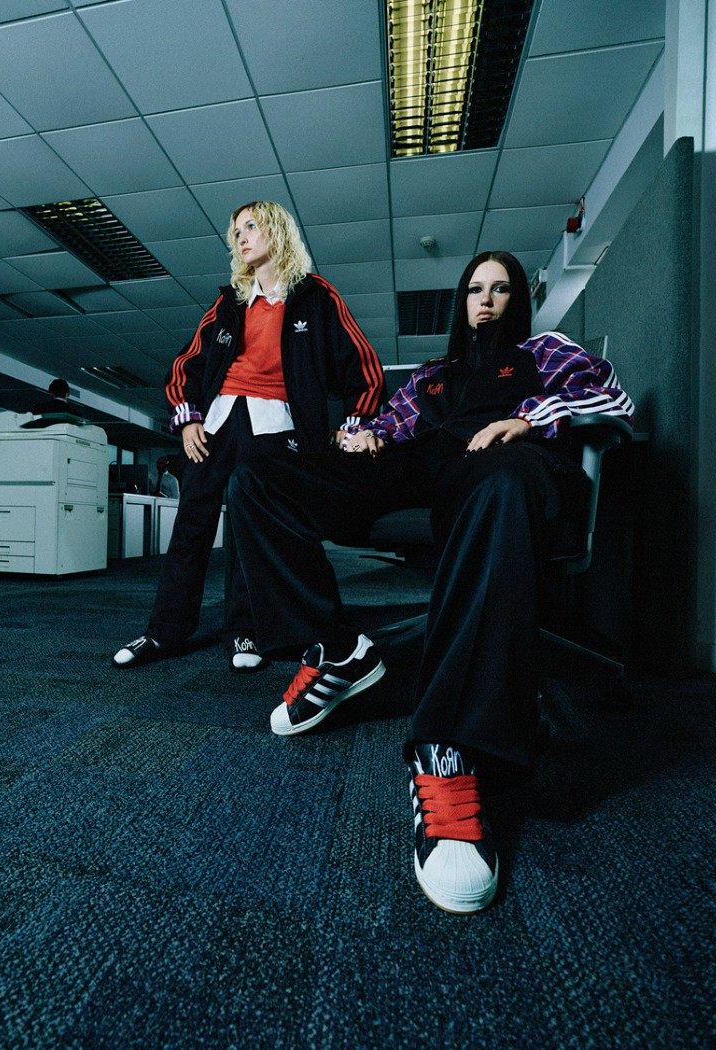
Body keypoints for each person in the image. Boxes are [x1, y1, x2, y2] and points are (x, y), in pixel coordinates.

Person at [228, 250, 633, 914]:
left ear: (518, 300)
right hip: (424, 466)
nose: (487, 300)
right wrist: (364, 437)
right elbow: (388, 425)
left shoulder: (546, 351)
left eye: (501, 289)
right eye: (475, 289)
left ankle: (450, 750)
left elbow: (611, 398)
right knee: (258, 476)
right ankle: (338, 650)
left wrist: (530, 419)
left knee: (503, 482)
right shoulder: (431, 376)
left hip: (504, 459)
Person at [111, 200, 384, 674]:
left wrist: (356, 424)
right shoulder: (229, 301)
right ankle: (164, 631)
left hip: (275, 426)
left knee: (248, 527)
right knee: (191, 525)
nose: (241, 237)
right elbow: (185, 364)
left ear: (277, 232)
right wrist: (188, 419)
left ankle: (245, 630)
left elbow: (363, 366)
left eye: (251, 227)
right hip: (217, 422)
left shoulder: (316, 295)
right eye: (236, 230)